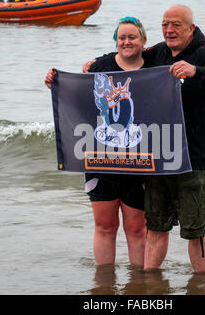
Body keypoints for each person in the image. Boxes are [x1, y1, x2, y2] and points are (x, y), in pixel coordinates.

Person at [83, 5, 205, 274]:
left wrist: (196, 72)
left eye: (176, 24)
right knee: (155, 225)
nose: (169, 30)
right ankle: (148, 283)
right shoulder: (160, 52)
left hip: (195, 158)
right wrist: (95, 62)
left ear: (191, 28)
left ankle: (201, 284)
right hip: (159, 155)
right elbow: (130, 52)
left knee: (195, 230)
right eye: (165, 24)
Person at [45, 17, 152, 267]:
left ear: (143, 41)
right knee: (105, 226)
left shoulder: (154, 68)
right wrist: (55, 82)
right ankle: (104, 285)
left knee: (137, 228)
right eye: (122, 38)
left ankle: (139, 284)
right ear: (116, 41)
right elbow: (79, 97)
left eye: (132, 37)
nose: (127, 42)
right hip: (101, 159)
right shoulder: (100, 66)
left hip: (141, 161)